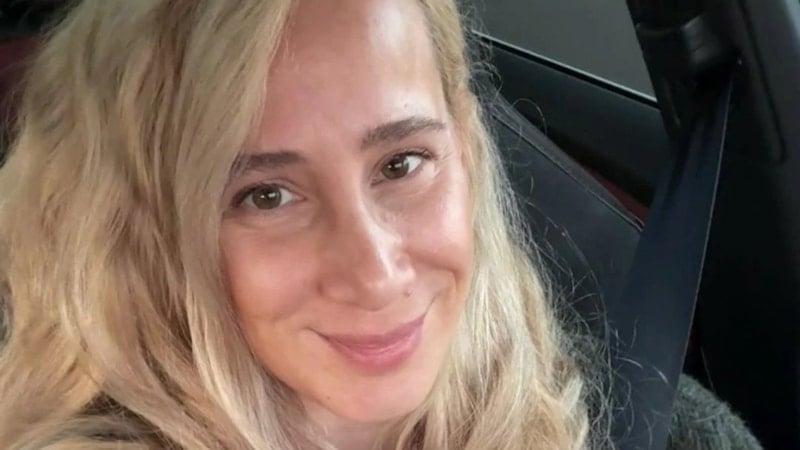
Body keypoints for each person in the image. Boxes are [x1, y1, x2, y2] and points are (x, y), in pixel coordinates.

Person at [0, 1, 761, 449]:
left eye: (401, 163)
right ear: (140, 236)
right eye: (266, 195)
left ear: (466, 150)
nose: (376, 272)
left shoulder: (651, 423)